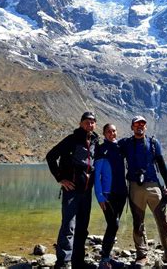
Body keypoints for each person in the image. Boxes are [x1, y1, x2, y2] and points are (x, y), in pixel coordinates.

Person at [119, 115, 167, 268]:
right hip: (134, 186)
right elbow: (111, 150)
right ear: (132, 127)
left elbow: (161, 164)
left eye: (142, 124)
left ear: (145, 127)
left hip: (154, 185)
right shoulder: (125, 144)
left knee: (164, 221)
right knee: (138, 222)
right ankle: (141, 255)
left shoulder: (153, 143)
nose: (139, 126)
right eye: (136, 124)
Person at [46, 111, 99, 269]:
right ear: (80, 123)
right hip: (72, 190)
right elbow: (51, 156)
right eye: (86, 122)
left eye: (92, 122)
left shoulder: (96, 141)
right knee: (69, 225)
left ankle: (78, 261)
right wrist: (60, 178)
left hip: (87, 191)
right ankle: (63, 262)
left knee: (83, 226)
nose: (90, 124)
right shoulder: (72, 140)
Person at [94, 124, 127, 269]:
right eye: (108, 131)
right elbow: (97, 176)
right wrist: (100, 197)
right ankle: (104, 260)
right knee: (113, 224)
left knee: (114, 225)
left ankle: (107, 257)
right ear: (104, 133)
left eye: (114, 131)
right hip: (108, 195)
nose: (111, 133)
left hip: (121, 193)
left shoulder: (120, 148)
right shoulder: (102, 150)